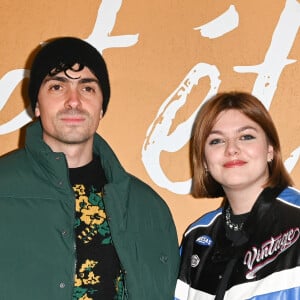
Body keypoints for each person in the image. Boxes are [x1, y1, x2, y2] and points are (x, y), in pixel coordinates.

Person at [0, 37, 179, 300]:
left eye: (87, 88)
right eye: (57, 86)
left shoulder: (149, 208)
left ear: (101, 107)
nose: (73, 101)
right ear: (36, 104)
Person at [174, 92, 300, 299]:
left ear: (270, 149)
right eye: (216, 141)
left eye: (246, 137)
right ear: (204, 161)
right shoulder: (196, 236)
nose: (232, 149)